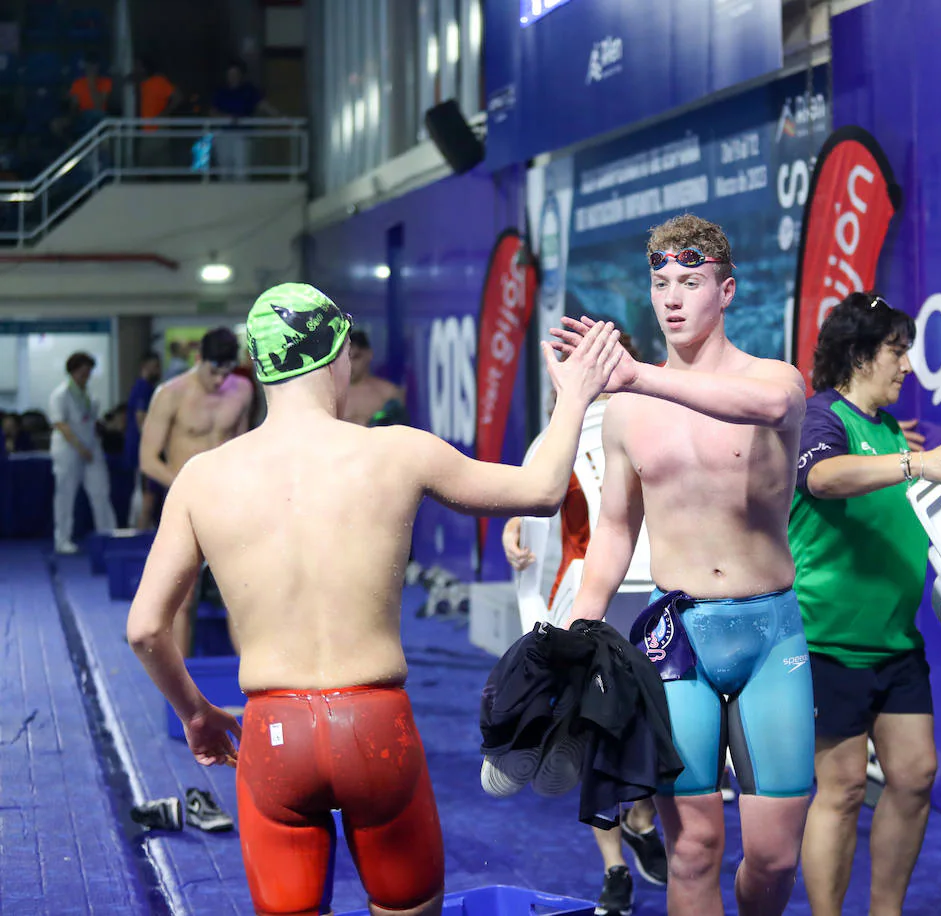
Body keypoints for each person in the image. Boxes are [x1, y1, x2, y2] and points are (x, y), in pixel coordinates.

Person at [125, 282, 624, 916]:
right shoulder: (397, 451)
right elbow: (543, 489)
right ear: (337, 356)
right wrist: (575, 394)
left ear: (259, 367)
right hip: (373, 727)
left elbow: (145, 629)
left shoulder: (202, 478)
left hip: (273, 732)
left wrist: (196, 713)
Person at [557, 214, 812, 916]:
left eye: (690, 282)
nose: (671, 297)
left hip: (771, 638)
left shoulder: (774, 380)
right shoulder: (625, 413)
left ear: (725, 292)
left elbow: (767, 406)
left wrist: (640, 375)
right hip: (678, 642)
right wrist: (581, 628)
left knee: (773, 857)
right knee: (693, 850)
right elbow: (612, 529)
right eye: (660, 281)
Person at [790, 292, 941, 916]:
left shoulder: (886, 432)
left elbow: (914, 517)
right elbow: (822, 478)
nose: (907, 366)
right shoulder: (822, 417)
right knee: (844, 786)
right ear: (859, 355)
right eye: (897, 351)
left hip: (895, 642)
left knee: (914, 777)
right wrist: (914, 462)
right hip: (828, 641)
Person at [502, 334, 669, 916]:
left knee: (647, 724)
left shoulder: (653, 416)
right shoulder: (553, 439)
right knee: (588, 730)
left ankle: (642, 815)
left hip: (653, 595)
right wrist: (512, 530)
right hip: (584, 599)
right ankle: (615, 868)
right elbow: (530, 504)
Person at [140, 328, 254, 654]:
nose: (220, 381)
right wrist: (187, 487)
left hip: (228, 502)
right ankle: (183, 688)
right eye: (213, 371)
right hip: (184, 503)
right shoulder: (170, 394)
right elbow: (148, 460)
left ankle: (254, 679)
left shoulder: (243, 390)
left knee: (240, 591)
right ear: (198, 358)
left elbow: (241, 447)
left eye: (226, 372)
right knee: (182, 598)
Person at [49, 351, 118, 554]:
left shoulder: (90, 395)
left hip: (91, 448)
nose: (86, 375)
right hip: (68, 451)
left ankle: (107, 534)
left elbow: (90, 421)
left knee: (101, 492)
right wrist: (80, 448)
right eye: (82, 371)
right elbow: (61, 424)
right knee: (65, 496)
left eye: (89, 371)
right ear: (72, 371)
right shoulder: (60, 394)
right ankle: (62, 540)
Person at [210, 60, 279, 180]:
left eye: (235, 74)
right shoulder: (221, 92)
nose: (233, 77)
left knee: (241, 170)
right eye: (230, 74)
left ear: (241, 75)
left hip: (242, 136)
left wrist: (280, 117)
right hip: (224, 135)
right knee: (224, 170)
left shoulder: (249, 91)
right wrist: (226, 117)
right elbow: (212, 112)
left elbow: (263, 105)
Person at [125, 352, 162, 529]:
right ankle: (140, 527)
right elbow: (141, 419)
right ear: (145, 367)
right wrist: (152, 445)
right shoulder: (143, 388)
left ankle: (142, 526)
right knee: (146, 492)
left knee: (145, 491)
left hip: (142, 448)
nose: (158, 370)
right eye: (155, 366)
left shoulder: (146, 387)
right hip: (142, 449)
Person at [343, 330, 407, 426]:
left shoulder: (388, 393)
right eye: (348, 358)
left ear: (369, 354)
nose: (351, 364)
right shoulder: (334, 394)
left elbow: (401, 429)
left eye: (356, 357)